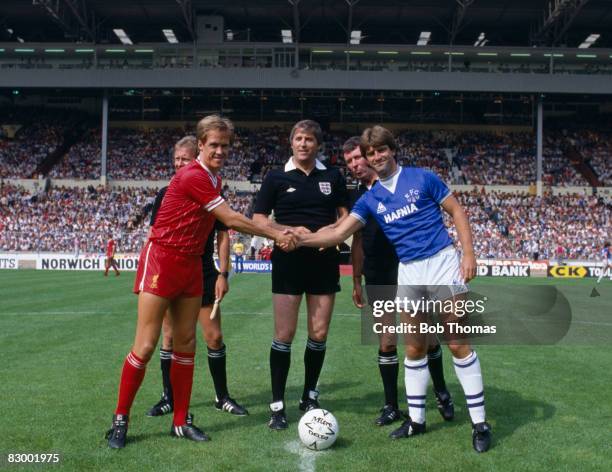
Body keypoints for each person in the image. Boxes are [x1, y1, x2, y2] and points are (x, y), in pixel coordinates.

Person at [294, 126, 491, 453]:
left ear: (391, 150)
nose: (376, 157)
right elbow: (337, 234)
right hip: (410, 270)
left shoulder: (423, 178)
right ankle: (416, 421)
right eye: (371, 153)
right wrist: (297, 238)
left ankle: (480, 423)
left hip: (442, 262)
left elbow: (457, 210)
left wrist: (468, 254)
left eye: (381, 150)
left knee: (457, 342)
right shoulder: (370, 200)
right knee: (414, 348)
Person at [105, 115, 295, 449]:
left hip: (192, 264)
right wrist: (278, 232)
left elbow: (222, 228)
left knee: (186, 344)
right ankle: (120, 419)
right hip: (163, 260)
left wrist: (223, 268)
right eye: (214, 145)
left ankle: (180, 421)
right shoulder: (193, 175)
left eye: (225, 146)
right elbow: (232, 219)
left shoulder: (213, 180)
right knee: (147, 345)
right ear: (201, 145)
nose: (220, 150)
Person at [343, 136, 454, 426]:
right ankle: (391, 405)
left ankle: (441, 391)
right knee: (387, 339)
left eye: (358, 158)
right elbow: (356, 240)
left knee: (426, 338)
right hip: (377, 274)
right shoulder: (356, 196)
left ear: (370, 157)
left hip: (408, 267)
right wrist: (357, 278)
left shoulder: (396, 184)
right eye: (349, 162)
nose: (355, 165)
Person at [253, 119, 349, 430]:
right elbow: (258, 220)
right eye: (298, 138)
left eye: (309, 139)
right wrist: (288, 230)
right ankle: (277, 405)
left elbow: (345, 217)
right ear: (291, 143)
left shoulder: (333, 176)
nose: (303, 143)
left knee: (319, 333)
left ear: (318, 145)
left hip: (324, 259)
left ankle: (310, 395)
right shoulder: (276, 177)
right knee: (284, 335)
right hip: (288, 261)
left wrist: (329, 232)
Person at [146, 136, 248, 418]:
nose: (179, 164)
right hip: (169, 270)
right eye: (176, 159)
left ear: (197, 160)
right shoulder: (166, 193)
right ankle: (169, 397)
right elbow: (153, 235)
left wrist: (223, 273)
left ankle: (222, 396)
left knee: (213, 337)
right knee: (168, 337)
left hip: (202, 271)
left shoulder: (209, 189)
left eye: (185, 159)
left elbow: (223, 234)